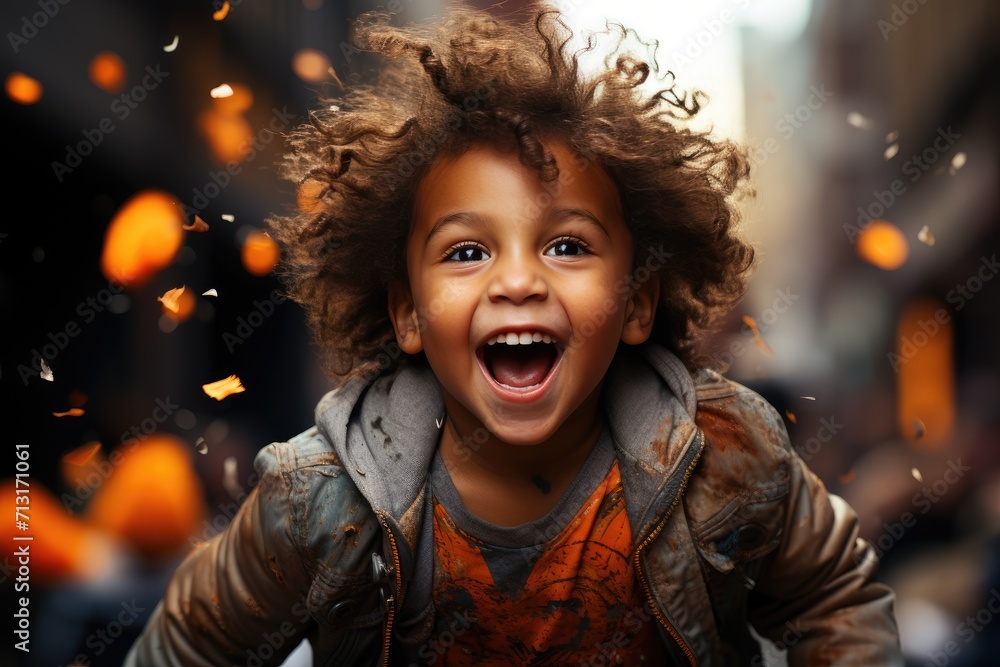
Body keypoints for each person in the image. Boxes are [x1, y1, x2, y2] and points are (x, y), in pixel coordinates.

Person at [124, 3, 903, 665]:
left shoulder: (724, 454)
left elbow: (834, 596)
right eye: (467, 251)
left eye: (568, 245)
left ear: (636, 302)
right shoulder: (321, 497)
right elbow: (188, 642)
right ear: (407, 313)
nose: (519, 281)